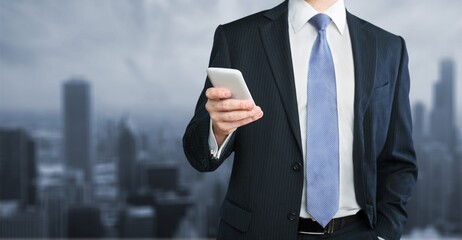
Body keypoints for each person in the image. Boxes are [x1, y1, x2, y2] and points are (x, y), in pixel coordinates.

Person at [183, 0, 418, 239]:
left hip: (358, 232)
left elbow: (399, 160)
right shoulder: (237, 38)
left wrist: (386, 233)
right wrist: (218, 130)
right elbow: (198, 155)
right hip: (258, 232)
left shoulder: (388, 47)